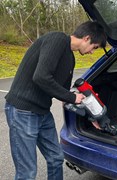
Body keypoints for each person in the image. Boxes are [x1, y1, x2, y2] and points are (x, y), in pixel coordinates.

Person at [4, 21, 107, 180]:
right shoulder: (57, 39)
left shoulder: (70, 59)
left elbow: (64, 95)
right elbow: (41, 77)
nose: (92, 52)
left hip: (42, 112)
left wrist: (91, 116)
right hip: (22, 111)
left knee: (55, 158)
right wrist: (72, 97)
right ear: (87, 38)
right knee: (27, 172)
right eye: (94, 47)